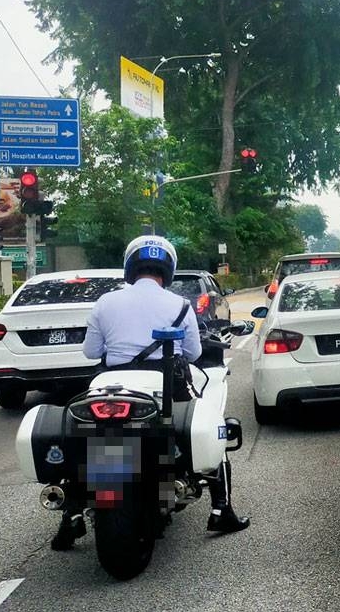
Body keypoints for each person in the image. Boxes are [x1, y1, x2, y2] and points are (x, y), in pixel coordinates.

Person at [51, 235, 249, 551]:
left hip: (110, 385)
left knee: (84, 438)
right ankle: (220, 508)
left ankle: (71, 517)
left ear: (130, 267)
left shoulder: (105, 303)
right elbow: (194, 352)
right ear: (167, 270)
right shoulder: (180, 305)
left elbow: (91, 352)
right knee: (210, 430)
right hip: (164, 385)